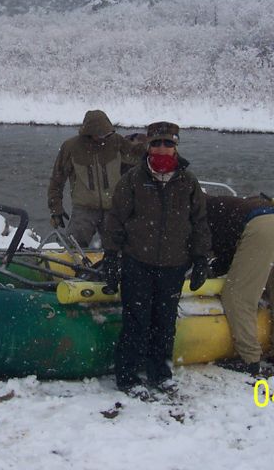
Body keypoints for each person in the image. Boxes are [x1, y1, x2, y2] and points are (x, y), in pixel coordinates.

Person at [102, 121, 212, 398]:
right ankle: (127, 376)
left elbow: (199, 222)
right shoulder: (132, 180)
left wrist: (201, 259)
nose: (162, 148)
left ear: (176, 147)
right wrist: (111, 258)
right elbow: (115, 221)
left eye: (168, 143)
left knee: (165, 323)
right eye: (157, 143)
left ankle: (160, 374)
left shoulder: (188, 182)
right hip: (137, 262)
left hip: (174, 266)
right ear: (148, 146)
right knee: (135, 321)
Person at [196, 194, 274, 375]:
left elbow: (223, 249)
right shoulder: (221, 204)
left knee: (237, 296)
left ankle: (249, 358)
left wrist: (210, 271)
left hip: (259, 228)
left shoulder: (204, 214)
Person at [47, 110, 145, 247]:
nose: (104, 137)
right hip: (83, 211)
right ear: (89, 132)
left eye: (106, 133)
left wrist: (149, 142)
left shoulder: (116, 141)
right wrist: (55, 208)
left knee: (117, 249)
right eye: (100, 134)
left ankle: (110, 267)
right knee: (73, 249)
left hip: (113, 209)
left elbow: (138, 157)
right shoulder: (71, 147)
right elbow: (57, 180)